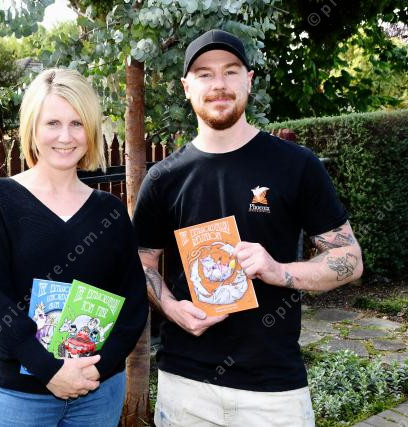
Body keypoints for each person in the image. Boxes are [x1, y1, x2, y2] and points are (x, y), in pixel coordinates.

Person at [133, 29, 363, 426]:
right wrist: (171, 307)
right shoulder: (163, 178)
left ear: (249, 80)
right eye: (204, 74)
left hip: (274, 391)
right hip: (186, 386)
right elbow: (142, 263)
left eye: (230, 71)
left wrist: (279, 271)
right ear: (186, 87)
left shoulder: (296, 165)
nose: (219, 84)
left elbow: (350, 259)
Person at [0, 68, 148, 427]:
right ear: (32, 128)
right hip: (20, 397)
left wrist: (95, 370)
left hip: (99, 391)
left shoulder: (109, 212)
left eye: (77, 123)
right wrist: (48, 369)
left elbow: (133, 301)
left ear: (90, 130)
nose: (65, 136)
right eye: (52, 123)